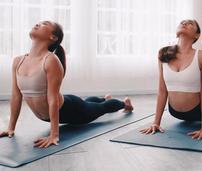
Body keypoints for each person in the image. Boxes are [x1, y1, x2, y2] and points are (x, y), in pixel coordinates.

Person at [0, 21, 133, 148]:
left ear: (53, 37)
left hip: (70, 109)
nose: (37, 24)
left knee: (101, 108)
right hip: (57, 109)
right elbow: (16, 96)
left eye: (44, 24)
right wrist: (10, 128)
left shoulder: (50, 60)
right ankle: (105, 97)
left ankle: (125, 104)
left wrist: (54, 134)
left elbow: (52, 100)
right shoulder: (18, 61)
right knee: (88, 103)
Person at [140, 19, 202, 140]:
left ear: (197, 35)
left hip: (197, 111)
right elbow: (162, 90)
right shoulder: (164, 53)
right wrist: (156, 122)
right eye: (182, 22)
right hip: (175, 112)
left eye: (190, 23)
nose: (184, 23)